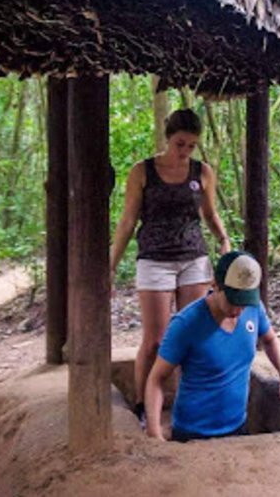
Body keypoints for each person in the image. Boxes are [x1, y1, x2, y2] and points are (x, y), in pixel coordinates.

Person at [110, 108, 232, 427]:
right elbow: (126, 222)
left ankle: (187, 403)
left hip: (193, 258)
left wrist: (224, 239)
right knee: (156, 339)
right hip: (154, 260)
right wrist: (110, 266)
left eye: (191, 146)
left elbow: (209, 214)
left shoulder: (201, 172)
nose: (185, 151)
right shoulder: (143, 171)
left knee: (192, 334)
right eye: (180, 144)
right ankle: (141, 404)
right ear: (168, 138)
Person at [144, 251, 280, 442]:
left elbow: (270, 339)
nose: (238, 310)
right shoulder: (186, 324)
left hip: (238, 426)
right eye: (233, 301)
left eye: (244, 303)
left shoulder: (254, 308)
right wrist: (154, 432)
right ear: (215, 285)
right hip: (194, 433)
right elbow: (156, 379)